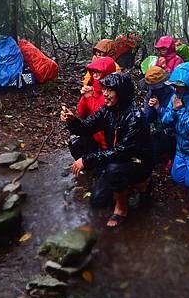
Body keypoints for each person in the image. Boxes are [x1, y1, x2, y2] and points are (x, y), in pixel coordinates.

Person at [61, 73, 153, 228]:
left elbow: (123, 151)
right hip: (116, 157)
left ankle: (122, 207)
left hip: (138, 162)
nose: (105, 93)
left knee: (114, 169)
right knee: (98, 200)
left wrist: (87, 159)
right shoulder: (107, 110)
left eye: (110, 90)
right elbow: (86, 127)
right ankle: (124, 184)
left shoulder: (135, 117)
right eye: (104, 89)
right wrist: (72, 121)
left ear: (122, 92)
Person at [162, 62, 189, 188]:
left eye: (179, 86)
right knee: (177, 178)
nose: (176, 88)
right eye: (175, 86)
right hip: (180, 149)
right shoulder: (175, 97)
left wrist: (181, 110)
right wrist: (174, 110)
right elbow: (165, 120)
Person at [68, 57, 117, 160]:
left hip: (109, 141)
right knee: (75, 144)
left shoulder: (112, 93)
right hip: (94, 136)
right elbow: (81, 113)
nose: (95, 75)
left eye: (98, 72)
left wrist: (89, 98)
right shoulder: (92, 89)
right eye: (93, 72)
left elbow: (102, 115)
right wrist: (84, 97)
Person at [142, 66, 176, 163]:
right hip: (159, 129)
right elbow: (148, 118)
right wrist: (151, 107)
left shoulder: (173, 93)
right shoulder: (150, 95)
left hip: (173, 132)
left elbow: (172, 119)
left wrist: (158, 107)